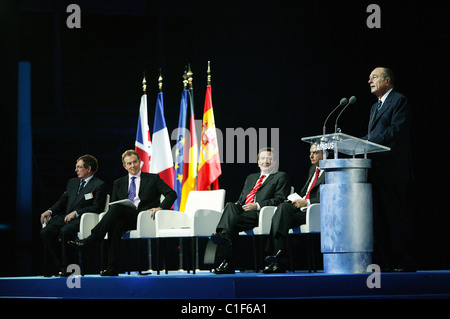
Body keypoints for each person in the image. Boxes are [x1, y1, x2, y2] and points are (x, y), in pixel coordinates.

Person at [69, 150, 177, 276]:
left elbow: (172, 194)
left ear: (140, 162)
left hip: (145, 217)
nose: (133, 166)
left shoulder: (153, 178)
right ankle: (112, 268)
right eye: (129, 163)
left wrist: (160, 207)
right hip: (127, 218)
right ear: (125, 166)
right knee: (115, 223)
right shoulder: (118, 183)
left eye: (135, 162)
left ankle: (91, 239)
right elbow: (114, 204)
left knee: (116, 210)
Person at [363, 67, 415, 272]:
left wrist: (365, 141)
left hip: (394, 172)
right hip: (377, 172)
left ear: (387, 80)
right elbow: (374, 135)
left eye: (374, 77)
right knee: (379, 220)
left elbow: (395, 131)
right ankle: (385, 262)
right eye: (369, 78)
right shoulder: (375, 107)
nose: (369, 81)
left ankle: (404, 262)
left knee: (395, 219)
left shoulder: (399, 101)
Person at [211, 147, 291, 274]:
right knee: (230, 206)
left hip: (260, 214)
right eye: (263, 158)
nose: (266, 161)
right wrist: (237, 206)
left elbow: (280, 199)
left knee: (229, 225)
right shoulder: (251, 177)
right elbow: (242, 198)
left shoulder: (280, 176)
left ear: (275, 162)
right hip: (244, 211)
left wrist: (257, 205)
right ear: (258, 161)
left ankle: (227, 262)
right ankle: (223, 235)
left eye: (269, 159)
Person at [263, 144, 327, 273]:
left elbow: (330, 197)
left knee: (281, 213)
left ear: (326, 154)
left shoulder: (331, 172)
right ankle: (279, 257)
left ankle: (276, 254)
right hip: (302, 209)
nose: (311, 156)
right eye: (310, 152)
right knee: (281, 211)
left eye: (315, 153)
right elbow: (306, 192)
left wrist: (307, 202)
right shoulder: (312, 170)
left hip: (314, 211)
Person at [40, 154, 107, 277]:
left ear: (89, 169)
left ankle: (71, 269)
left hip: (83, 219)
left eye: (79, 167)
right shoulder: (72, 182)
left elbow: (97, 207)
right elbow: (62, 201)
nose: (76, 170)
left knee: (66, 231)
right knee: (46, 232)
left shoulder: (99, 185)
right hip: (66, 217)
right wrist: (50, 211)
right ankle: (60, 265)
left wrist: (76, 213)